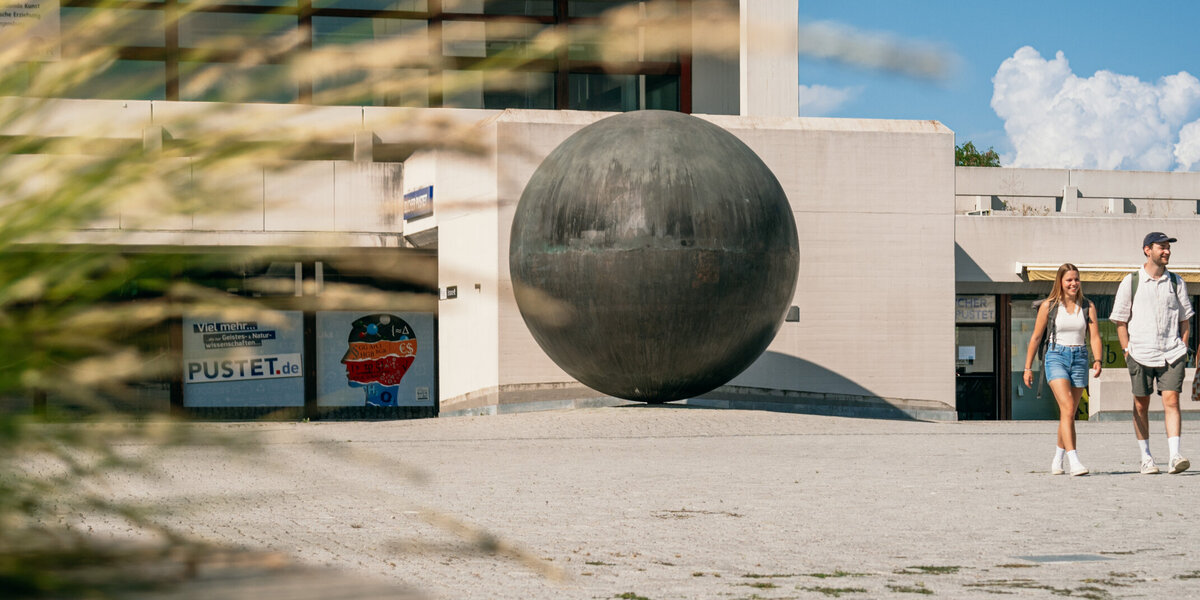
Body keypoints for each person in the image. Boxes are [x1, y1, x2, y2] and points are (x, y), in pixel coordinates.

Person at [1110, 232, 1194, 475]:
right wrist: (1127, 351)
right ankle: (1146, 457)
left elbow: (1185, 320)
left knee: (1171, 400)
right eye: (1162, 247)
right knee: (1140, 404)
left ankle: (1174, 455)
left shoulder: (1176, 282)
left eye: (1168, 247)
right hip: (1140, 353)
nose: (1166, 251)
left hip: (1172, 353)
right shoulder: (1131, 281)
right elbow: (1120, 321)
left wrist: (1183, 346)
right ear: (1148, 250)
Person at [1023, 263, 1102, 476]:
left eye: (1076, 279)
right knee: (1067, 408)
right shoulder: (1049, 306)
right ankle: (1074, 460)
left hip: (1080, 357)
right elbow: (1036, 337)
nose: (1073, 283)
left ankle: (1057, 458)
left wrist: (1098, 359)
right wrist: (1027, 367)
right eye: (1069, 280)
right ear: (1060, 282)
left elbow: (1094, 336)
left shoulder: (1087, 306)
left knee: (1069, 413)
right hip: (1056, 356)